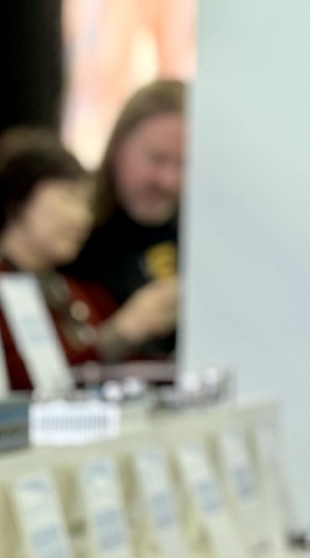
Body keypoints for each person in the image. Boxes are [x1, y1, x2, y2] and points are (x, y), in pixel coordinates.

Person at [0, 128, 177, 391]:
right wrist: (122, 332)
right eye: (69, 198)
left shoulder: (73, 291)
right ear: (20, 199)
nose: (83, 218)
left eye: (87, 203)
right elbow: (4, 392)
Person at [69, 79, 185, 356]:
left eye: (183, 163)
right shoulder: (73, 235)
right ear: (118, 147)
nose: (168, 181)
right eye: (157, 159)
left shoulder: (202, 237)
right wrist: (123, 331)